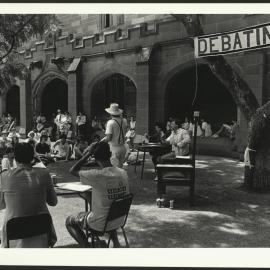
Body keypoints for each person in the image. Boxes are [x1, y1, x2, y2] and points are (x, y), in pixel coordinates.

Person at [65, 141, 130, 248]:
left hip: (99, 224)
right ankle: (116, 243)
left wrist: (87, 154)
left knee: (70, 221)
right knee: (108, 210)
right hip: (118, 220)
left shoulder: (97, 175)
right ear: (110, 154)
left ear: (94, 157)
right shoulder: (123, 172)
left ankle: (86, 247)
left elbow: (73, 170)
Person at [0, 143, 58, 248]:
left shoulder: (4, 176)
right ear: (32, 157)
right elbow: (53, 202)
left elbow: (1, 205)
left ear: (15, 158)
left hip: (15, 235)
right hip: (41, 232)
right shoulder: (44, 173)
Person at [101, 103, 127, 168]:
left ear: (110, 113)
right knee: (120, 169)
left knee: (114, 170)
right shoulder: (124, 121)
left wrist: (102, 141)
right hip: (123, 148)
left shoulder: (110, 122)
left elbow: (109, 138)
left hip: (114, 148)